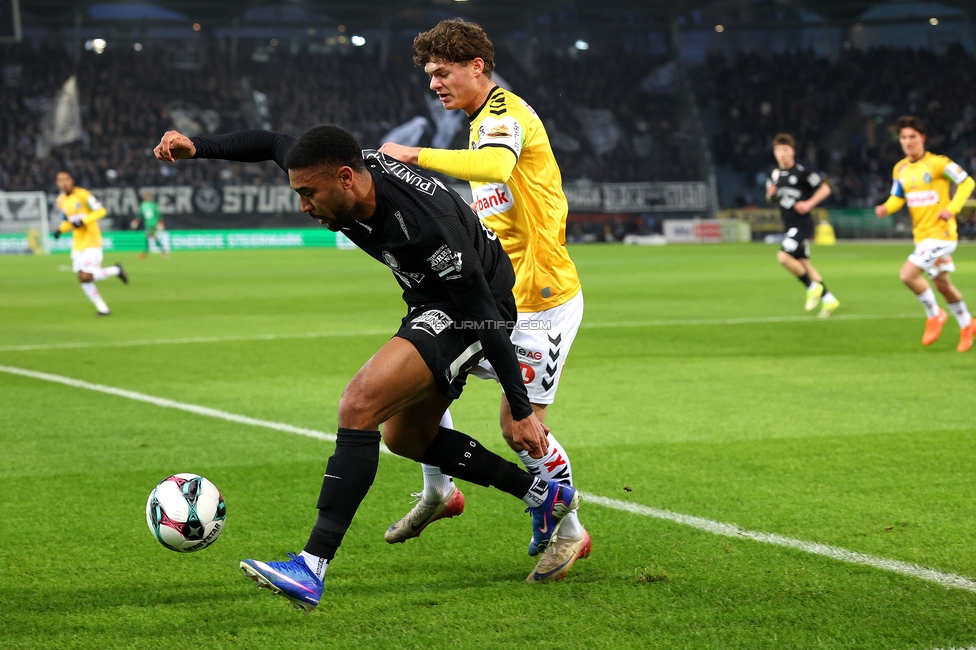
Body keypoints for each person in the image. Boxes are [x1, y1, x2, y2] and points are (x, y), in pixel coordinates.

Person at [154, 125, 580, 612]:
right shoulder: (335, 172)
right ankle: (542, 495)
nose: (303, 206)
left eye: (309, 194)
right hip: (429, 300)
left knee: (358, 404)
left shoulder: (426, 224)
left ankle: (311, 565)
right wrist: (198, 148)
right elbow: (272, 142)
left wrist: (522, 411)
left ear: (345, 178)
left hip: (473, 310)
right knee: (406, 439)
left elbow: (484, 311)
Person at [378, 18, 589, 584]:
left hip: (541, 299)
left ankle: (571, 531)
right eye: (429, 75)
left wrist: (414, 155)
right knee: (423, 375)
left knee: (521, 431)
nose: (434, 85)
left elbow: (495, 167)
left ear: (477, 67)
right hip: (496, 295)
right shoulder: (479, 123)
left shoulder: (504, 115)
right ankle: (439, 492)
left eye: (442, 73)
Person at [875, 116, 976, 352]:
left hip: (941, 235)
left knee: (908, 275)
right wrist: (886, 208)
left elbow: (967, 183)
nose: (908, 141)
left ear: (922, 138)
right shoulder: (900, 168)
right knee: (942, 284)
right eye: (903, 137)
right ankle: (967, 325)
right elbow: (897, 197)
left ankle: (934, 315)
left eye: (912, 136)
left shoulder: (938, 164)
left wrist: (952, 209)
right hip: (922, 237)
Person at [764, 134, 839, 317]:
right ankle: (829, 299)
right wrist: (771, 195)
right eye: (778, 150)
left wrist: (809, 204)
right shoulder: (775, 175)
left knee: (783, 257)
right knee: (804, 264)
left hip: (801, 224)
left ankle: (812, 287)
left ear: (793, 152)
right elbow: (771, 199)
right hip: (789, 225)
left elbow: (825, 188)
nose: (782, 154)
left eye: (785, 150)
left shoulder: (802, 173)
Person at [53, 171, 128, 315]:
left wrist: (84, 221)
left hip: (92, 241)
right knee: (83, 279)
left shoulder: (83, 195)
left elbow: (101, 211)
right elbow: (68, 221)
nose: (64, 183)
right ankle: (103, 309)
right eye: (60, 180)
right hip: (78, 243)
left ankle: (116, 270)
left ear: (71, 180)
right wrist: (60, 230)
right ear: (57, 184)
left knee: (86, 276)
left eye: (66, 179)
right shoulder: (61, 201)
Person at [131, 192, 170, 259]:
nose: (146, 198)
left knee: (150, 237)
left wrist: (161, 222)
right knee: (151, 238)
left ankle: (145, 253)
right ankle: (163, 252)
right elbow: (140, 214)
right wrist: (136, 221)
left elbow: (158, 214)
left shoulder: (154, 205)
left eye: (147, 197)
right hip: (147, 224)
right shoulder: (143, 205)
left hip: (154, 224)